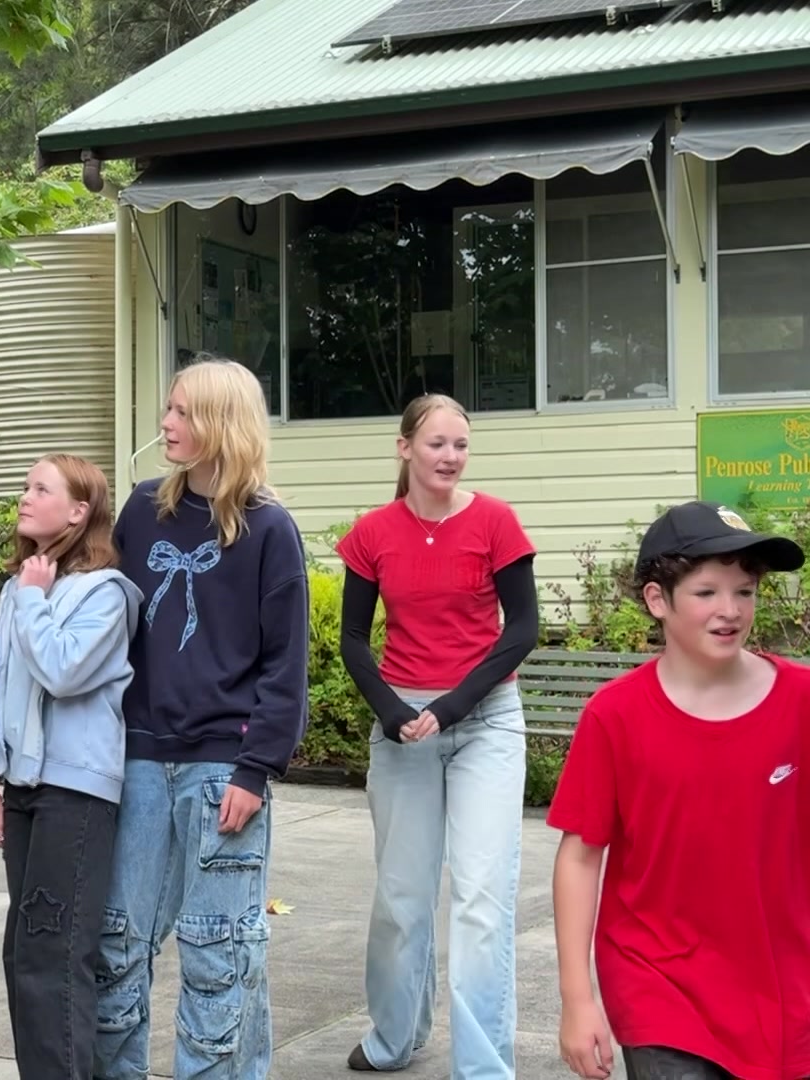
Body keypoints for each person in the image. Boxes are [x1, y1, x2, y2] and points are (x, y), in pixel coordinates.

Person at [93, 357, 310, 1080]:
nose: (166, 424)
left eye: (182, 412)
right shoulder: (142, 508)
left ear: (221, 422)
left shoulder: (270, 530)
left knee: (219, 950)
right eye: (168, 409)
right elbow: (106, 625)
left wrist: (256, 767)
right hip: (139, 759)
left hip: (224, 768)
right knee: (118, 946)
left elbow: (285, 665)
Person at [550, 501, 809, 1080]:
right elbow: (580, 856)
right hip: (660, 981)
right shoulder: (615, 716)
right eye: (707, 592)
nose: (730, 610)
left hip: (785, 985)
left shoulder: (801, 702)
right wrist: (577, 997)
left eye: (745, 591)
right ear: (657, 600)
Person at [335, 394, 539, 1079]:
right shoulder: (373, 533)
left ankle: (483, 1068)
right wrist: (392, 711)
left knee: (481, 898)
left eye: (460, 445)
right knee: (401, 896)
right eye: (437, 445)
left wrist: (450, 708)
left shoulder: (495, 521)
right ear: (405, 449)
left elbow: (521, 631)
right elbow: (354, 641)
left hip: (484, 721)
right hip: (403, 729)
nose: (450, 457)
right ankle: (396, 1036)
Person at [0, 454, 143, 1080]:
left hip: (75, 791)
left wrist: (35, 602)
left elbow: (63, 671)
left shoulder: (109, 594)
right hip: (21, 788)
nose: (24, 497)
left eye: (39, 488)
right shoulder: (19, 588)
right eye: (25, 486)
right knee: (24, 956)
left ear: (78, 511)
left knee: (55, 955)